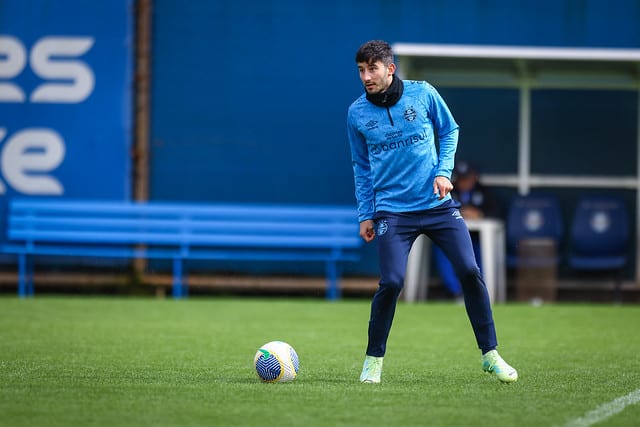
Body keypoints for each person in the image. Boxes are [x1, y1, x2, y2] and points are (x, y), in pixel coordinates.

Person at [346, 40, 517, 384]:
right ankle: (373, 360)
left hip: (438, 207)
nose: (366, 76)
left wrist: (443, 172)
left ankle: (491, 354)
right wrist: (366, 213)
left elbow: (450, 130)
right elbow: (360, 167)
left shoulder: (422, 93)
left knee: (470, 270)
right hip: (392, 213)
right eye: (361, 70)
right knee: (392, 282)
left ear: (390, 68)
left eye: (372, 69)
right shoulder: (357, 114)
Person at [434, 160, 503, 297]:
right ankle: (457, 292)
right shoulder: (448, 191)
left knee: (480, 253)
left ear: (474, 177)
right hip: (452, 239)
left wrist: (479, 213)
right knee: (441, 250)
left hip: (477, 239)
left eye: (466, 178)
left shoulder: (485, 192)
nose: (463, 182)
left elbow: (498, 213)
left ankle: (480, 292)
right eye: (460, 178)